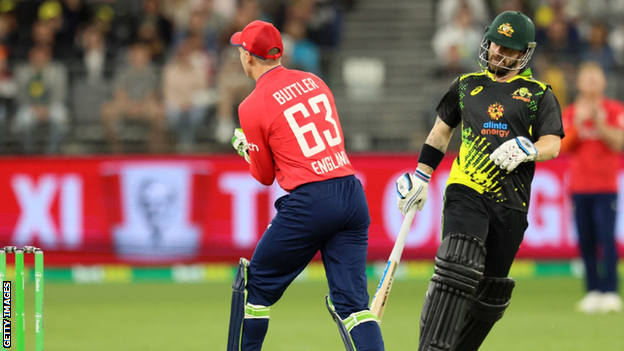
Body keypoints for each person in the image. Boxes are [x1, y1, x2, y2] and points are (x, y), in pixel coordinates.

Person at [396, 11, 564, 351]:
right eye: (496, 44)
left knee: (490, 293)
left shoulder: (538, 94)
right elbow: (440, 133)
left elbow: (553, 144)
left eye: (508, 49)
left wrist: (529, 148)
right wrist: (421, 177)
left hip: (512, 202)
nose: (498, 53)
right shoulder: (466, 85)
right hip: (466, 188)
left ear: (524, 53)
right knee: (458, 264)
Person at [225, 20, 384, 351]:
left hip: (310, 200)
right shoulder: (315, 81)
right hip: (350, 193)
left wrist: (246, 150)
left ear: (247, 57)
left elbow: (265, 176)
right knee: (354, 306)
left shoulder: (251, 106)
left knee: (253, 288)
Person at [561, 62, 624, 314]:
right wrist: (579, 123)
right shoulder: (570, 113)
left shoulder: (614, 109)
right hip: (579, 187)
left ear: (603, 82)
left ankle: (610, 291)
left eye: (595, 78)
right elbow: (563, 146)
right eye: (586, 78)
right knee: (586, 240)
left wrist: (599, 123)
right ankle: (592, 291)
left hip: (606, 186)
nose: (590, 83)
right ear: (578, 83)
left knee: (607, 239)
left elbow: (619, 143)